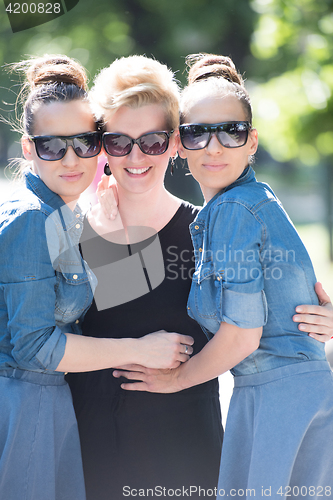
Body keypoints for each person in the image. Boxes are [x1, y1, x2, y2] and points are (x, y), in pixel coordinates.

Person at [67, 55, 333, 500]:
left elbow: (272, 312)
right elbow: (36, 339)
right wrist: (102, 239)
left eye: (152, 141)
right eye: (118, 141)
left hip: (188, 453)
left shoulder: (206, 229)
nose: (136, 156)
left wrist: (319, 318)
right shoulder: (71, 230)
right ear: (102, 147)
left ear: (173, 144)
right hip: (90, 447)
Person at [0, 54, 193, 500]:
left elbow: (100, 303)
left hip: (51, 409)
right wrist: (141, 351)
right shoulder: (31, 220)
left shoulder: (61, 216)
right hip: (25, 409)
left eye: (85, 143)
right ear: (29, 148)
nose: (71, 159)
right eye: (52, 146)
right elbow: (36, 348)